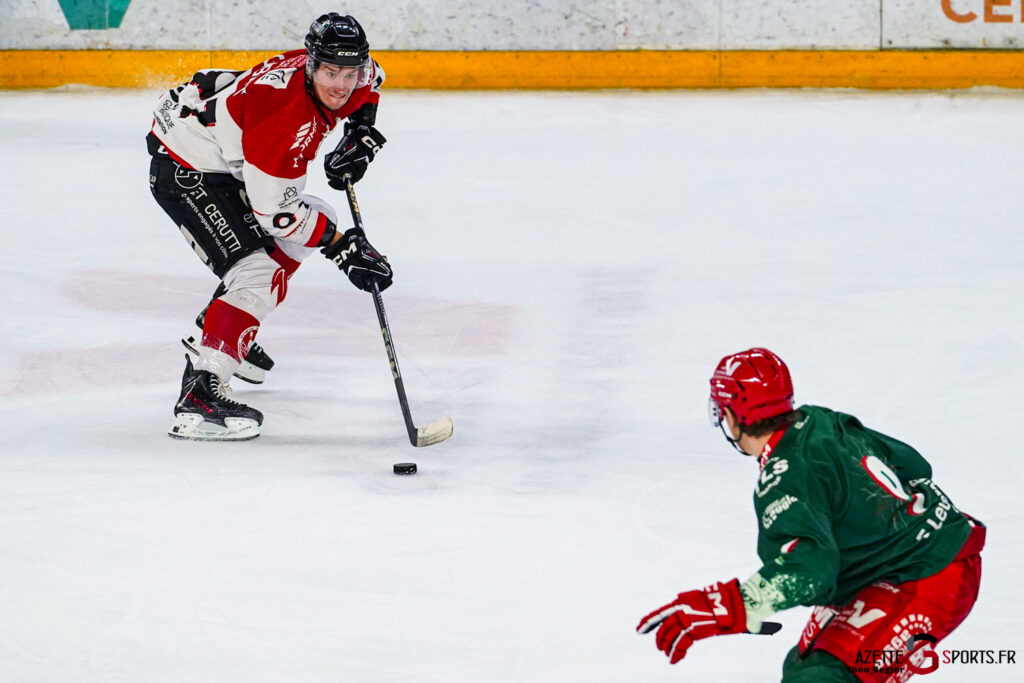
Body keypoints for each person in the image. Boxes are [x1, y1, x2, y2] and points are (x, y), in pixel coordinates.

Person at [637, 348, 985, 682]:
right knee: (803, 665)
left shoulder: (783, 481)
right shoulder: (819, 420)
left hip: (929, 574)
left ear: (732, 416)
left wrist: (737, 605)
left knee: (823, 676)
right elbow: (913, 463)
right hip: (918, 553)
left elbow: (811, 570)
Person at [147, 13, 394, 440]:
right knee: (257, 271)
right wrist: (345, 249)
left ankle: (221, 328)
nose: (341, 85)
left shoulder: (354, 72)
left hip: (216, 143)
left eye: (348, 73)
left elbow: (374, 78)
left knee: (319, 217)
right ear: (311, 65)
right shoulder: (284, 119)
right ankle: (200, 397)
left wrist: (360, 130)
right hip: (187, 166)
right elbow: (278, 215)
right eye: (330, 73)